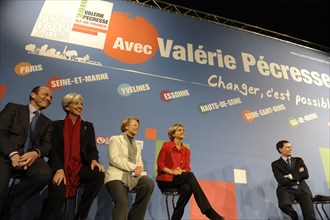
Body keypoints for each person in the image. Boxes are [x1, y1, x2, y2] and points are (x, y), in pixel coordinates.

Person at [39, 93, 105, 220]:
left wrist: (94, 160)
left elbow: (92, 149)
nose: (80, 106)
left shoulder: (88, 126)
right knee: (58, 195)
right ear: (67, 107)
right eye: (76, 103)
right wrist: (58, 169)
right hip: (60, 167)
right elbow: (52, 151)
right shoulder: (56, 125)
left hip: (80, 167)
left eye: (81, 104)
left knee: (98, 175)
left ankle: (80, 216)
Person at [0, 86, 53, 218]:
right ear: (33, 95)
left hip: (30, 159)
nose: (48, 99)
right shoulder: (13, 108)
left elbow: (47, 145)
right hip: (6, 156)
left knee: (44, 174)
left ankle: (11, 205)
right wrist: (13, 154)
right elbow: (1, 132)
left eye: (51, 98)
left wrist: (35, 153)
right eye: (45, 95)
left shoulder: (48, 123)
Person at [156, 123, 225, 220]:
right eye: (179, 130)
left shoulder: (186, 151)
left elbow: (187, 168)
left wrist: (182, 171)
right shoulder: (166, 146)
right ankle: (209, 211)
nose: (183, 131)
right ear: (172, 134)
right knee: (190, 176)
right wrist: (172, 172)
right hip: (165, 180)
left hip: (178, 179)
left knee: (187, 188)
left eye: (183, 130)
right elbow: (160, 164)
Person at [104, 116, 154, 220]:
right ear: (126, 126)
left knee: (148, 183)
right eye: (134, 125)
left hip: (132, 175)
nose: (137, 128)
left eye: (138, 126)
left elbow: (139, 161)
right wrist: (135, 167)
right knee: (122, 203)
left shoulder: (137, 144)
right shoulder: (115, 139)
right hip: (116, 176)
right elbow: (114, 159)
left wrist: (139, 168)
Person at [271, 140, 316, 220]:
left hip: (302, 189)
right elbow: (281, 180)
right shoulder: (275, 164)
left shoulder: (299, 160)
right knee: (284, 205)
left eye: (291, 147)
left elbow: (305, 174)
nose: (290, 149)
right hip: (286, 189)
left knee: (310, 216)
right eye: (287, 147)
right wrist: (298, 175)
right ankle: (294, 217)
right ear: (280, 149)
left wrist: (290, 176)